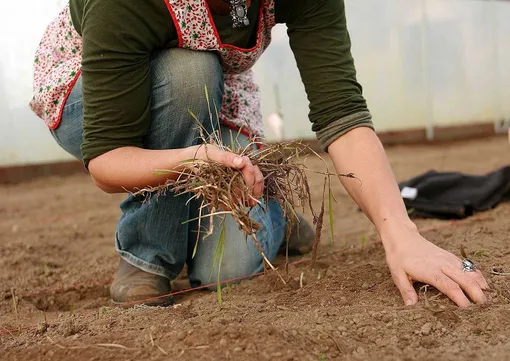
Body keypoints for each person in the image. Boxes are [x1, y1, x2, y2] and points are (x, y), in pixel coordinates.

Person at [30, 0, 488, 308]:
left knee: (227, 268)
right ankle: (149, 255)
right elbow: (108, 160)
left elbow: (342, 114)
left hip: (212, 96)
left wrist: (401, 235)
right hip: (90, 97)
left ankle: (275, 212)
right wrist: (194, 160)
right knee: (189, 70)